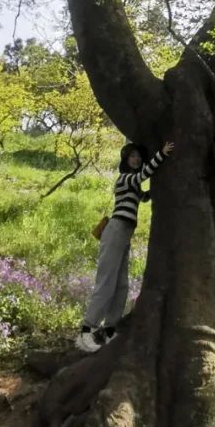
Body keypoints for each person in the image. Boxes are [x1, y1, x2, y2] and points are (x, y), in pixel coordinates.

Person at [76, 139, 174, 353]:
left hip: (125, 234)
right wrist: (162, 153)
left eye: (138, 156)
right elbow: (143, 175)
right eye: (132, 156)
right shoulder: (125, 179)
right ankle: (86, 330)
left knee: (121, 285)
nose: (136, 159)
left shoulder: (134, 185)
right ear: (126, 160)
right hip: (115, 230)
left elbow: (146, 196)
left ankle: (109, 330)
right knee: (106, 281)